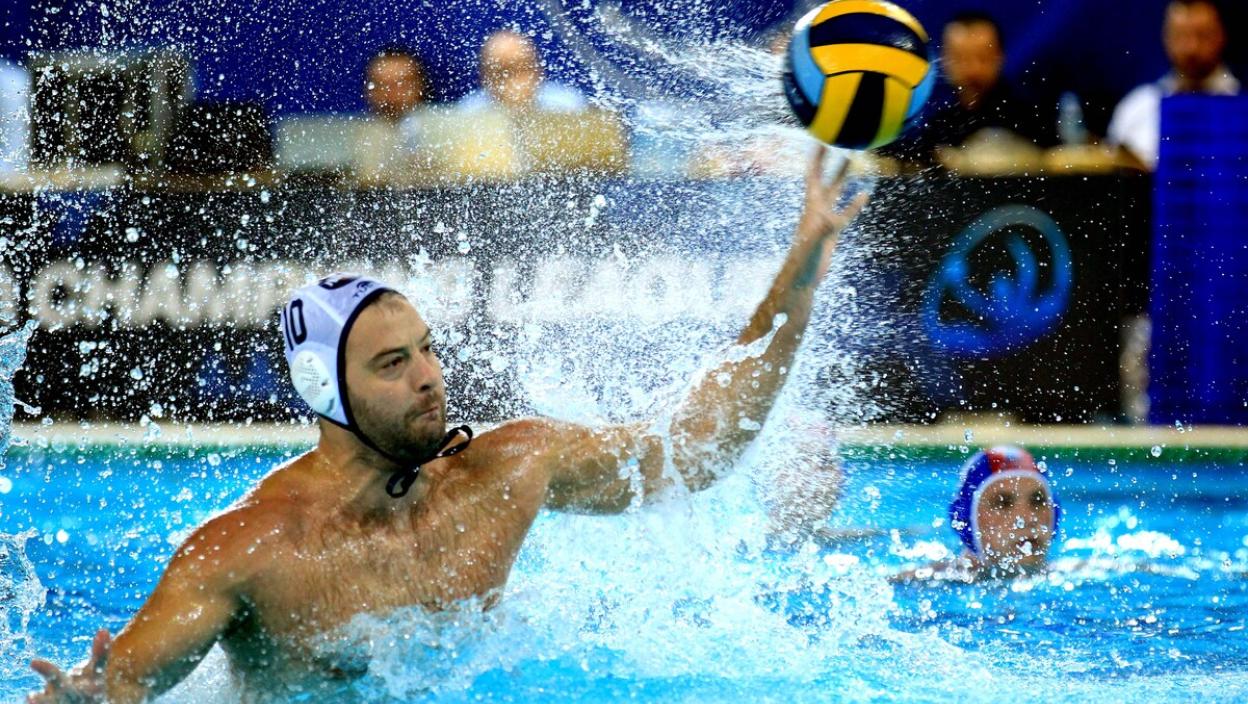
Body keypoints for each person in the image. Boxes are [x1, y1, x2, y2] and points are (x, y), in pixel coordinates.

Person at [27, 147, 868, 702]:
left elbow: (698, 448)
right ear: (324, 389)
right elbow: (121, 685)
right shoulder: (249, 551)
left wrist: (798, 276)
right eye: (393, 364)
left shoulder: (506, 471)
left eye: (427, 349)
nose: (430, 377)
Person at [882, 12, 1059, 167]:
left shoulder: (1031, 117)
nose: (972, 70)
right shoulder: (939, 122)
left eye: (983, 58)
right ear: (944, 59)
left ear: (1000, 57)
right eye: (960, 59)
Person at [892, 446, 1062, 583]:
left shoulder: (1068, 574)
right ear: (968, 520)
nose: (1027, 518)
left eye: (1038, 500)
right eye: (1002, 503)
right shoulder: (921, 581)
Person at [1107, 0, 1240, 171]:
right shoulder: (1137, 108)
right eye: (1180, 36)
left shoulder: (1242, 107)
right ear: (1166, 38)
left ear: (1221, 35)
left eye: (1202, 35)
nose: (1191, 48)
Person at [457, 30, 586, 113]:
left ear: (538, 70)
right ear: (485, 77)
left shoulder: (567, 107)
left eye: (521, 70)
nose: (514, 84)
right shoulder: (469, 114)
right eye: (503, 72)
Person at [354, 47, 430, 183]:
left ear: (420, 85)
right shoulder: (357, 137)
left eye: (401, 83)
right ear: (368, 90)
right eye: (381, 84)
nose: (391, 92)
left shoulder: (449, 131)